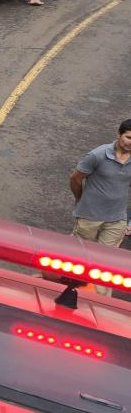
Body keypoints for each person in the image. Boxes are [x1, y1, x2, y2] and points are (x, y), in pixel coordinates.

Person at [69, 120, 131, 294]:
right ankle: (67, 290)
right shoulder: (98, 155)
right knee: (79, 257)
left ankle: (100, 303)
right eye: (128, 137)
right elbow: (75, 178)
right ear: (119, 134)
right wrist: (81, 200)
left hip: (117, 219)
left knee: (106, 263)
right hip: (89, 215)